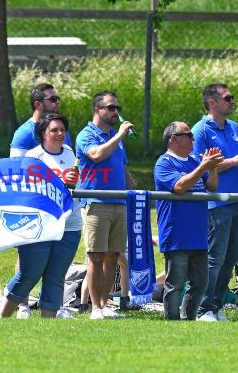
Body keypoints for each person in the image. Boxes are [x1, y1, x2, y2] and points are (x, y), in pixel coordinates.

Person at [0, 113, 82, 319]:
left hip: (70, 225)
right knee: (30, 273)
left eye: (62, 129)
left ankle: (48, 322)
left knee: (56, 275)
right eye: (54, 130)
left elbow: (79, 184)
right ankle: (3, 316)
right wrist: (60, 180)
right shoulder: (33, 157)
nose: (60, 133)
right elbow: (28, 191)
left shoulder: (70, 153)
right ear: (43, 133)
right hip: (39, 225)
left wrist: (76, 179)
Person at [9, 82, 74, 319]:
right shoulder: (25, 133)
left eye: (57, 98)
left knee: (55, 266)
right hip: (33, 208)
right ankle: (22, 306)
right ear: (38, 104)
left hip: (59, 210)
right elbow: (16, 171)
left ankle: (52, 306)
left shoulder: (60, 131)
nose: (57, 102)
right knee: (29, 262)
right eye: (52, 99)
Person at [192, 83, 238, 322]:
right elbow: (202, 167)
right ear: (212, 102)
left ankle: (215, 306)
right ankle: (202, 308)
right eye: (227, 98)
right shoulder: (200, 130)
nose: (232, 101)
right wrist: (235, 161)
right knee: (214, 259)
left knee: (231, 257)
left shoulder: (233, 127)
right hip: (216, 205)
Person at [154, 122, 223, 320]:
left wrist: (214, 167)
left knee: (200, 282)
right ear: (173, 139)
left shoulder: (193, 161)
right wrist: (203, 166)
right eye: (188, 135)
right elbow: (179, 187)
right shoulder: (164, 163)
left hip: (198, 234)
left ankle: (188, 319)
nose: (193, 138)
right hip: (177, 234)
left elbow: (212, 186)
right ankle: (172, 320)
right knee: (175, 283)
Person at [75, 90, 134, 320]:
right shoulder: (86, 134)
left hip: (119, 203)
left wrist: (132, 194)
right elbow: (97, 155)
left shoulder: (115, 139)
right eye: (110, 108)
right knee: (96, 257)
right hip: (96, 204)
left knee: (113, 256)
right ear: (97, 110)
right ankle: (95, 308)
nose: (115, 112)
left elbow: (123, 168)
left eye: (117, 108)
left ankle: (104, 304)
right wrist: (119, 135)